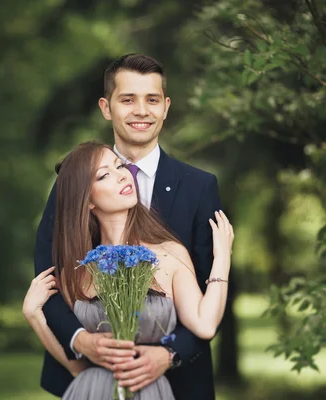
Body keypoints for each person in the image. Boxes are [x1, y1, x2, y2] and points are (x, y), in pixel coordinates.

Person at [33, 53, 224, 399]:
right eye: (127, 99)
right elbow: (48, 275)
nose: (141, 111)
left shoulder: (200, 188)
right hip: (85, 377)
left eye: (151, 99)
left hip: (176, 385)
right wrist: (81, 340)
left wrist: (169, 353)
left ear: (166, 107)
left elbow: (211, 288)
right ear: (107, 108)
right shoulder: (73, 183)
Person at [24, 141, 233, 399]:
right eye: (104, 175)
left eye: (119, 165)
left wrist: (222, 257)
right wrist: (33, 314)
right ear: (87, 201)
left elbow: (205, 325)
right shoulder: (78, 269)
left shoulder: (169, 254)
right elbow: (77, 367)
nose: (122, 175)